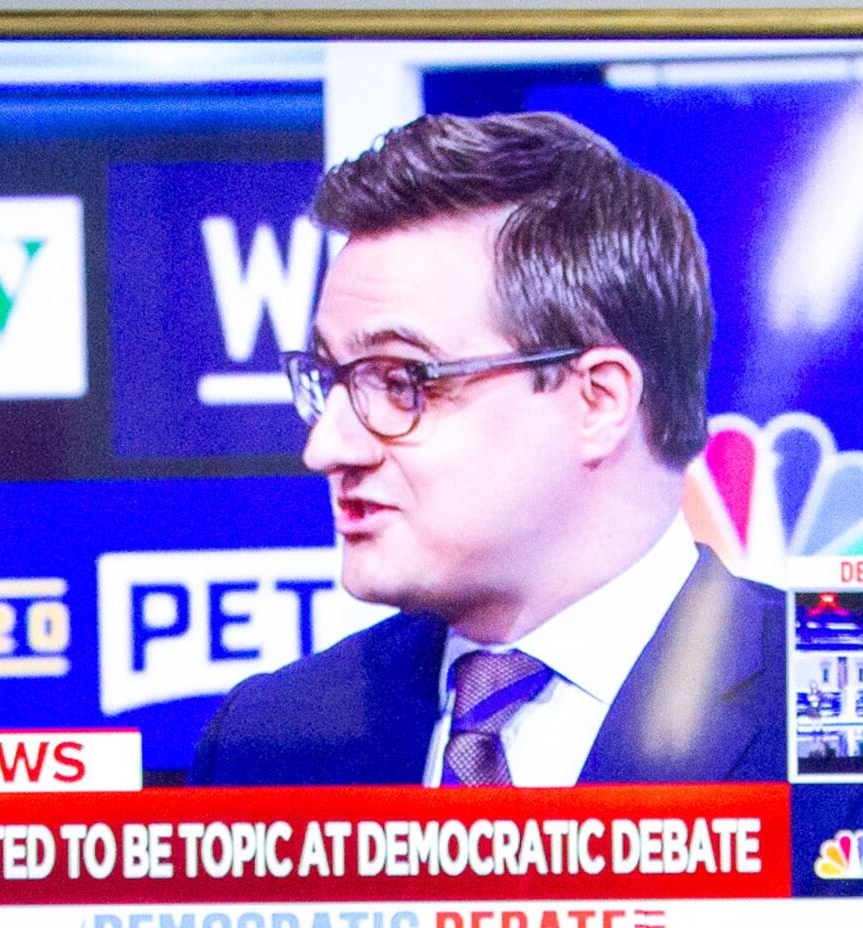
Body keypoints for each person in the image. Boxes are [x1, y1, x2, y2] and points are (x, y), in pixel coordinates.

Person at [187, 110, 788, 789]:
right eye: (330, 379)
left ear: (597, 401)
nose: (326, 447)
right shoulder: (268, 741)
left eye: (402, 380)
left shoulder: (861, 739)